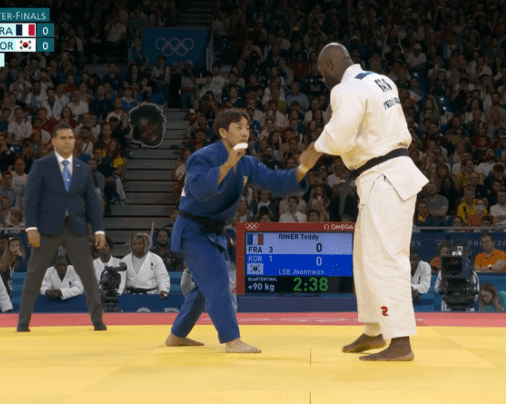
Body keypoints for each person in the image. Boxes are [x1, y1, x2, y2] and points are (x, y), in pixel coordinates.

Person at [308, 43, 429, 361]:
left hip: (385, 179)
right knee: (363, 258)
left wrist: (311, 152)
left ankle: (400, 341)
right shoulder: (381, 80)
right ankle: (375, 330)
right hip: (387, 176)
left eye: (322, 73)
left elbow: (339, 137)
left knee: (385, 260)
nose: (322, 79)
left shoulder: (346, 89)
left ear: (330, 64)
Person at [167, 108, 315, 354]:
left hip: (213, 232)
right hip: (192, 230)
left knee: (203, 288)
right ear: (223, 132)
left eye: (247, 127)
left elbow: (276, 182)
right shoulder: (202, 158)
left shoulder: (246, 162)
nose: (245, 131)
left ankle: (177, 335)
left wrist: (303, 169)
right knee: (217, 280)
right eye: (238, 127)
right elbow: (199, 190)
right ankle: (232, 340)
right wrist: (226, 166)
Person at [17, 123, 107, 332]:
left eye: (71, 138)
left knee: (88, 276)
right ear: (54, 141)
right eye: (64, 138)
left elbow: (92, 203)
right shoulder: (41, 165)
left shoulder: (83, 168)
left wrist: (99, 230)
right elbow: (30, 199)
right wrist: (31, 227)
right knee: (34, 276)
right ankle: (23, 323)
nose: (68, 141)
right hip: (47, 229)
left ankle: (98, 322)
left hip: (75, 228)